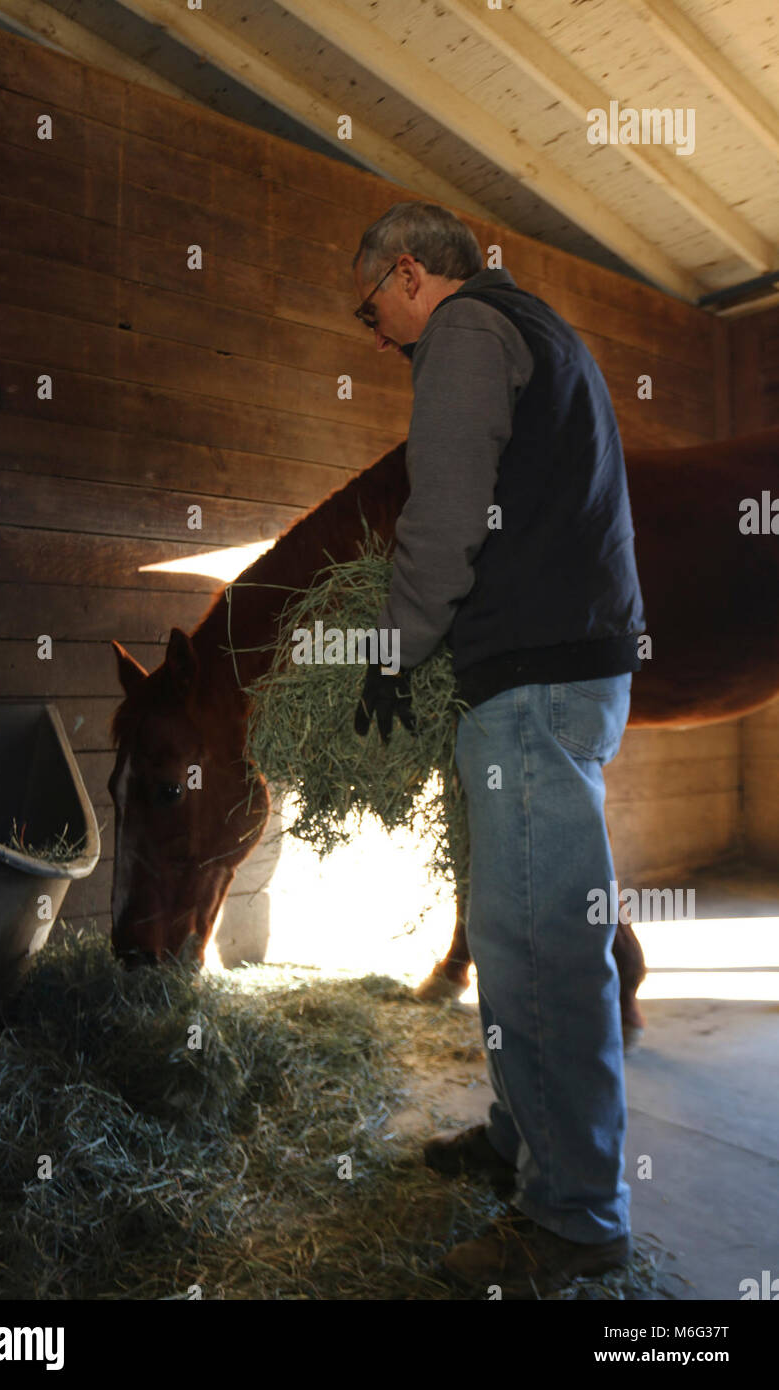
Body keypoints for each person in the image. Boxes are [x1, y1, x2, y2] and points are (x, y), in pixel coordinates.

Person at [352, 202, 646, 1298]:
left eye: (371, 303)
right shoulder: (539, 327)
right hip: (556, 668)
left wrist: (394, 643)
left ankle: (573, 1219)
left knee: (535, 948)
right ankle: (525, 1141)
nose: (376, 333)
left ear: (410, 273)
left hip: (531, 679)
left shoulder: (467, 333)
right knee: (511, 926)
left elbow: (445, 505)